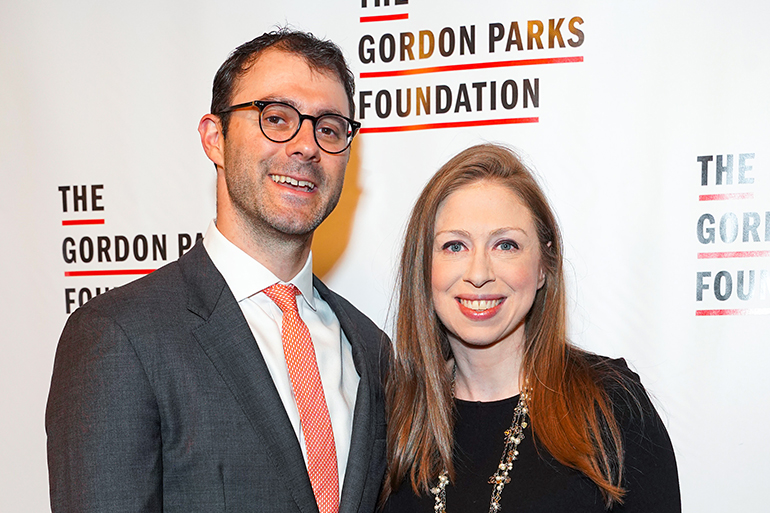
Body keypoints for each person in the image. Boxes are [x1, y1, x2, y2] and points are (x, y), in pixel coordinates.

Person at [46, 29, 389, 513]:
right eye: (276, 119)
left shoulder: (372, 350)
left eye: (329, 128)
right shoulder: (120, 336)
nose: (307, 146)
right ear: (215, 139)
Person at [380, 144, 680, 512]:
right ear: (423, 268)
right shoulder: (393, 419)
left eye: (506, 245)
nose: (478, 274)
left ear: (543, 266)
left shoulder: (611, 406)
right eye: (454, 246)